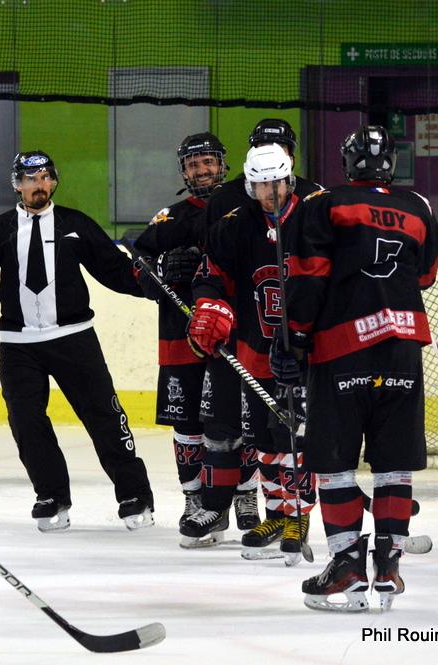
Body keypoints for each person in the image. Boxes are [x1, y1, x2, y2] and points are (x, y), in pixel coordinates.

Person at [276, 125, 438, 611]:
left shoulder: (324, 205)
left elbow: (307, 277)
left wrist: (293, 340)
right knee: (393, 461)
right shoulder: (420, 207)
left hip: (341, 349)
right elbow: (426, 275)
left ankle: (347, 568)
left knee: (334, 463)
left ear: (347, 162)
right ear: (393, 162)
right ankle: (388, 566)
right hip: (402, 348)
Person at [0, 150, 155, 532]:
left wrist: (151, 284)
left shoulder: (75, 224)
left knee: (104, 415)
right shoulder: (0, 230)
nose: (39, 185)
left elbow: (114, 271)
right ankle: (51, 495)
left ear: (54, 180)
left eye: (46, 177)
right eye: (31, 179)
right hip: (17, 344)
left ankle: (134, 494)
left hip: (74, 338)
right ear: (17, 184)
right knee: (26, 422)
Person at [180, 119, 324, 555]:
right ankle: (277, 515)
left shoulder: (315, 216)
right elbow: (211, 277)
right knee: (263, 438)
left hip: (303, 350)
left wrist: (303, 342)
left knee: (294, 437)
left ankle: (299, 516)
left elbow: (327, 283)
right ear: (250, 187)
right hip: (256, 348)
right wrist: (209, 308)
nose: (271, 197)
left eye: (276, 187)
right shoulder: (235, 224)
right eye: (261, 189)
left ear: (289, 178)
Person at [132, 132, 262, 540]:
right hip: (180, 334)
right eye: (193, 164)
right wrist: (160, 275)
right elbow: (139, 264)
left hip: (235, 333)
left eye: (208, 162)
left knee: (242, 422)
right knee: (187, 424)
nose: (202, 170)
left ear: (223, 164)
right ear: (183, 171)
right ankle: (197, 499)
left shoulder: (246, 208)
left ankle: (245, 495)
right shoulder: (170, 217)